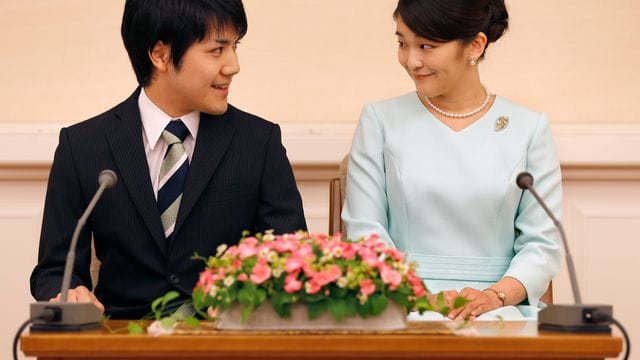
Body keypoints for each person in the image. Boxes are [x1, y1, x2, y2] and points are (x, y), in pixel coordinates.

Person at [30, 0, 307, 319]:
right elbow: (53, 270)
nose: (233, 65)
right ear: (160, 54)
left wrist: (252, 297)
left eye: (235, 46)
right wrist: (70, 293)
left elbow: (292, 260)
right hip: (120, 339)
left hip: (224, 339)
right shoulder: (82, 146)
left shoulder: (259, 142)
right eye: (217, 50)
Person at [342, 0, 562, 320]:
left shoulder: (529, 128)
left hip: (501, 307)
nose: (411, 61)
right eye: (403, 43)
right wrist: (419, 298)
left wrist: (496, 296)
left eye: (426, 46)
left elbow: (542, 243)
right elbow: (364, 231)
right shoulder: (380, 120)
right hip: (401, 304)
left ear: (475, 45)